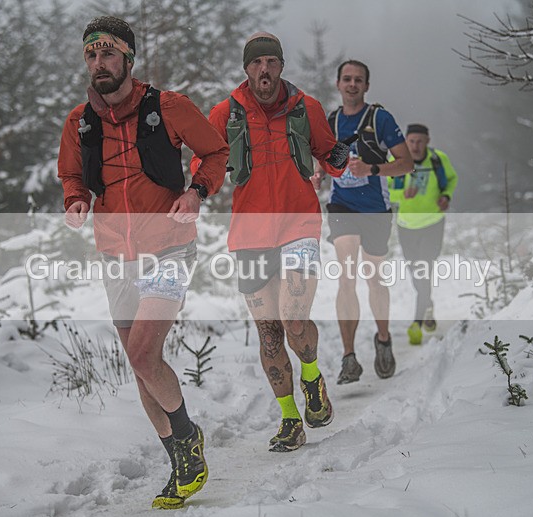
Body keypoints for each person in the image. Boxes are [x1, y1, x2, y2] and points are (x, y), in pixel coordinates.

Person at [57, 16, 228, 510]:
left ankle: (188, 439)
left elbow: (214, 152)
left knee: (142, 353)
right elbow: (72, 174)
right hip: (115, 255)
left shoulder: (167, 106)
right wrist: (75, 200)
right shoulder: (79, 122)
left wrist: (197, 192)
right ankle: (180, 462)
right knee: (140, 365)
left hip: (169, 247)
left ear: (128, 59)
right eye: (91, 55)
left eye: (107, 54)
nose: (98, 63)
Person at [193, 32, 349, 452]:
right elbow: (205, 160)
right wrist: (198, 185)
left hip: (298, 224)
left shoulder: (306, 107)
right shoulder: (225, 112)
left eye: (271, 62)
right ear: (247, 70)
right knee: (268, 334)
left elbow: (329, 152)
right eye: (257, 63)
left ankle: (313, 379)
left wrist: (338, 158)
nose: (264, 70)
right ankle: (289, 418)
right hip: (249, 233)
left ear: (281, 67)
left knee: (294, 319)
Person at [316, 60, 413, 385]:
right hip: (342, 206)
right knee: (346, 276)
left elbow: (406, 163)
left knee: (373, 279)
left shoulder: (379, 118)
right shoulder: (329, 121)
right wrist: (317, 174)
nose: (352, 84)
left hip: (375, 209)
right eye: (347, 79)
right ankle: (349, 357)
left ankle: (383, 338)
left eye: (358, 80)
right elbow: (321, 160)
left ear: (367, 86)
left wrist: (372, 170)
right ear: (338, 84)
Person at [388, 123, 458, 345]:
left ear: (427, 141)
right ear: (405, 142)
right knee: (417, 272)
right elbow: (386, 191)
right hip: (406, 225)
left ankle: (417, 323)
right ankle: (427, 306)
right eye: (411, 141)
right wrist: (401, 194)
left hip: (433, 223)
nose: (416, 146)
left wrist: (446, 196)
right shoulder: (397, 163)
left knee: (424, 269)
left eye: (420, 141)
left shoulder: (438, 160)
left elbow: (452, 180)